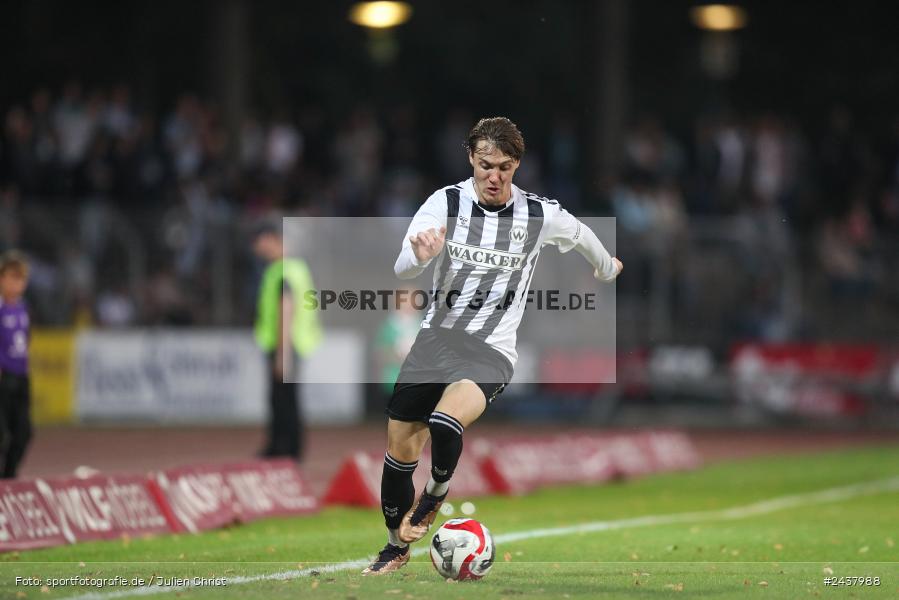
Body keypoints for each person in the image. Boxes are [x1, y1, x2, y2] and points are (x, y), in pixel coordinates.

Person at [363, 117, 622, 574]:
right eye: (485, 165)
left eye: (504, 167)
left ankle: (435, 496)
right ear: (470, 159)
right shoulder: (444, 203)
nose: (494, 177)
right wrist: (419, 256)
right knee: (400, 449)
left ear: (517, 165)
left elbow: (583, 236)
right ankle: (394, 547)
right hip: (434, 342)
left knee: (446, 421)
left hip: (490, 351)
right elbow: (404, 265)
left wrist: (606, 268)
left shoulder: (539, 214)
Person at [252, 222, 322, 460]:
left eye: (260, 240)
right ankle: (286, 447)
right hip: (296, 343)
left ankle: (284, 449)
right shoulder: (297, 268)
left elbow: (286, 309)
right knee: (285, 397)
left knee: (282, 398)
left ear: (272, 239)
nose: (257, 247)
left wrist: (283, 353)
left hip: (286, 344)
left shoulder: (282, 271)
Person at [0, 251, 33, 478]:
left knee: (24, 432)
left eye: (21, 279)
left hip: (20, 376)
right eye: (12, 277)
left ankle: (9, 478)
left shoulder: (23, 308)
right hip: (3, 376)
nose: (16, 284)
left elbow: (25, 338)